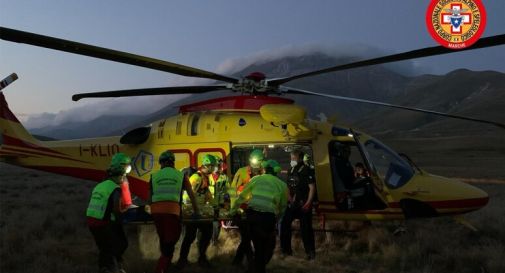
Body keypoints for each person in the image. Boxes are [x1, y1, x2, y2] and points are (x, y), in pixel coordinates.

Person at [230, 159, 288, 273]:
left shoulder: (256, 179)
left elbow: (241, 197)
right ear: (277, 172)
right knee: (266, 246)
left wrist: (233, 211)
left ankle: (253, 267)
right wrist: (278, 218)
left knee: (256, 245)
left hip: (253, 216)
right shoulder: (282, 185)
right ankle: (257, 268)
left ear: (264, 169)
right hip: (268, 219)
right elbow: (283, 206)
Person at [149, 150, 200, 273]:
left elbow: (148, 198)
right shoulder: (181, 175)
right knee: (170, 242)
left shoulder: (153, 176)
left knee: (164, 240)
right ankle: (161, 268)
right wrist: (197, 211)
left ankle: (166, 265)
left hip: (156, 212)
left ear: (162, 163)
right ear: (172, 162)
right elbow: (191, 195)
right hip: (172, 212)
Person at [86, 152, 131, 273]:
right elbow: (117, 210)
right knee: (119, 245)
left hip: (91, 221)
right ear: (118, 176)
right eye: (122, 176)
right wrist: (123, 217)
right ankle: (114, 268)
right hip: (102, 222)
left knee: (104, 248)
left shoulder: (100, 185)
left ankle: (104, 268)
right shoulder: (115, 188)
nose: (123, 179)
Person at [177, 154, 217, 268]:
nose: (214, 169)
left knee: (207, 233)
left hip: (199, 211)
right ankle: (182, 260)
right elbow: (188, 196)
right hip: (192, 212)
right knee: (190, 236)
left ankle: (201, 258)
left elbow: (207, 194)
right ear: (207, 165)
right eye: (212, 166)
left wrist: (216, 206)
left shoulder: (205, 177)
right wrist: (192, 210)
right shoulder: (196, 177)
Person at [230, 149, 264, 266]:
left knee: (248, 237)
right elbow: (232, 190)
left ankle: (238, 261)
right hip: (242, 210)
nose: (255, 168)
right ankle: (249, 261)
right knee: (247, 236)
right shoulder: (242, 172)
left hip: (255, 210)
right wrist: (234, 209)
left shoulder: (263, 174)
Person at [280, 150, 316, 260]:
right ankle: (286, 252)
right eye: (291, 158)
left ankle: (310, 254)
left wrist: (309, 202)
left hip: (304, 203)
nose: (292, 160)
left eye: (294, 158)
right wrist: (289, 198)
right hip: (292, 204)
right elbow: (288, 186)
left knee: (306, 229)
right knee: (284, 225)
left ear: (300, 158)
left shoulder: (307, 170)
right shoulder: (291, 169)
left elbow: (312, 188)